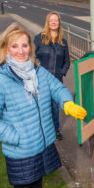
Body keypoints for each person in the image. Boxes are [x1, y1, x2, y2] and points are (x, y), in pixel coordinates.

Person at [0, 23, 86, 188]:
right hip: (21, 146)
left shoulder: (37, 70)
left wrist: (67, 103)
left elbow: (57, 88)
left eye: (25, 45)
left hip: (42, 142)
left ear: (31, 47)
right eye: (15, 46)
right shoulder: (0, 78)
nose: (21, 51)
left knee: (37, 183)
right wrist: (15, 137)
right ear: (6, 48)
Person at [33, 12, 70, 140]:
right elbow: (32, 57)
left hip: (56, 81)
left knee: (55, 107)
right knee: (42, 106)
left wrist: (61, 72)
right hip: (41, 80)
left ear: (59, 23)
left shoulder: (63, 42)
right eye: (51, 20)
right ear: (47, 23)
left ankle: (55, 130)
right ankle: (41, 130)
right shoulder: (39, 39)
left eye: (56, 20)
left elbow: (67, 61)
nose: (54, 22)